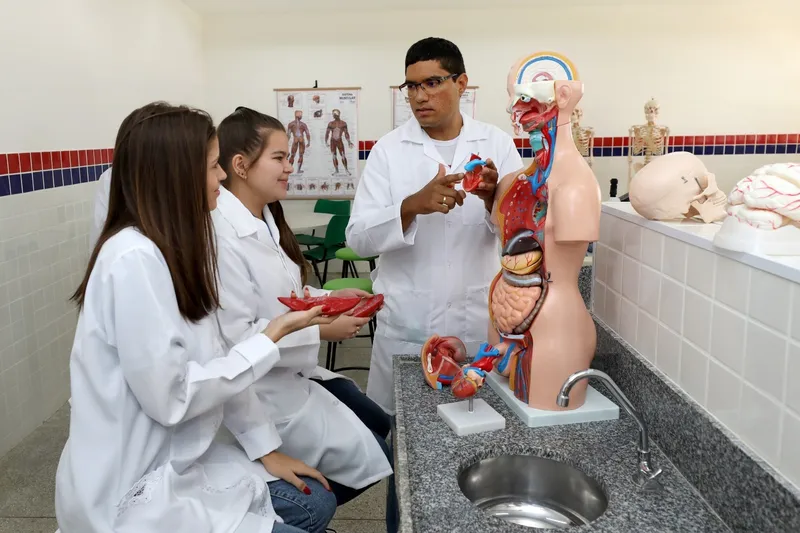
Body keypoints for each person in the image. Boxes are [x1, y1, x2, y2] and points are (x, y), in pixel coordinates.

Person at [55, 102, 340, 533]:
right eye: (212, 166)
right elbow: (172, 399)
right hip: (132, 490)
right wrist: (270, 337)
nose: (222, 176)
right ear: (177, 176)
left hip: (181, 459)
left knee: (315, 501)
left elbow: (214, 356)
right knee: (309, 508)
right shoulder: (133, 260)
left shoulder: (176, 249)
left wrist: (266, 450)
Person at [212, 106, 398, 533]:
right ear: (240, 165)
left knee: (379, 431)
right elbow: (237, 339)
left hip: (292, 377)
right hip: (262, 392)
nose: (289, 166)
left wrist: (331, 299)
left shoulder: (265, 220)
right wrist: (321, 329)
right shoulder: (223, 237)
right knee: (361, 467)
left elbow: (286, 296)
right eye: (279, 158)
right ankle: (295, 515)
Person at [345, 37, 525, 415]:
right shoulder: (388, 151)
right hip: (408, 329)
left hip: (476, 327)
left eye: (432, 83)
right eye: (412, 86)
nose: (419, 96)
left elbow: (524, 239)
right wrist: (411, 206)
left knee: (476, 427)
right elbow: (358, 238)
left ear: (461, 84)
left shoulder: (497, 144)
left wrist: (492, 201)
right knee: (401, 432)